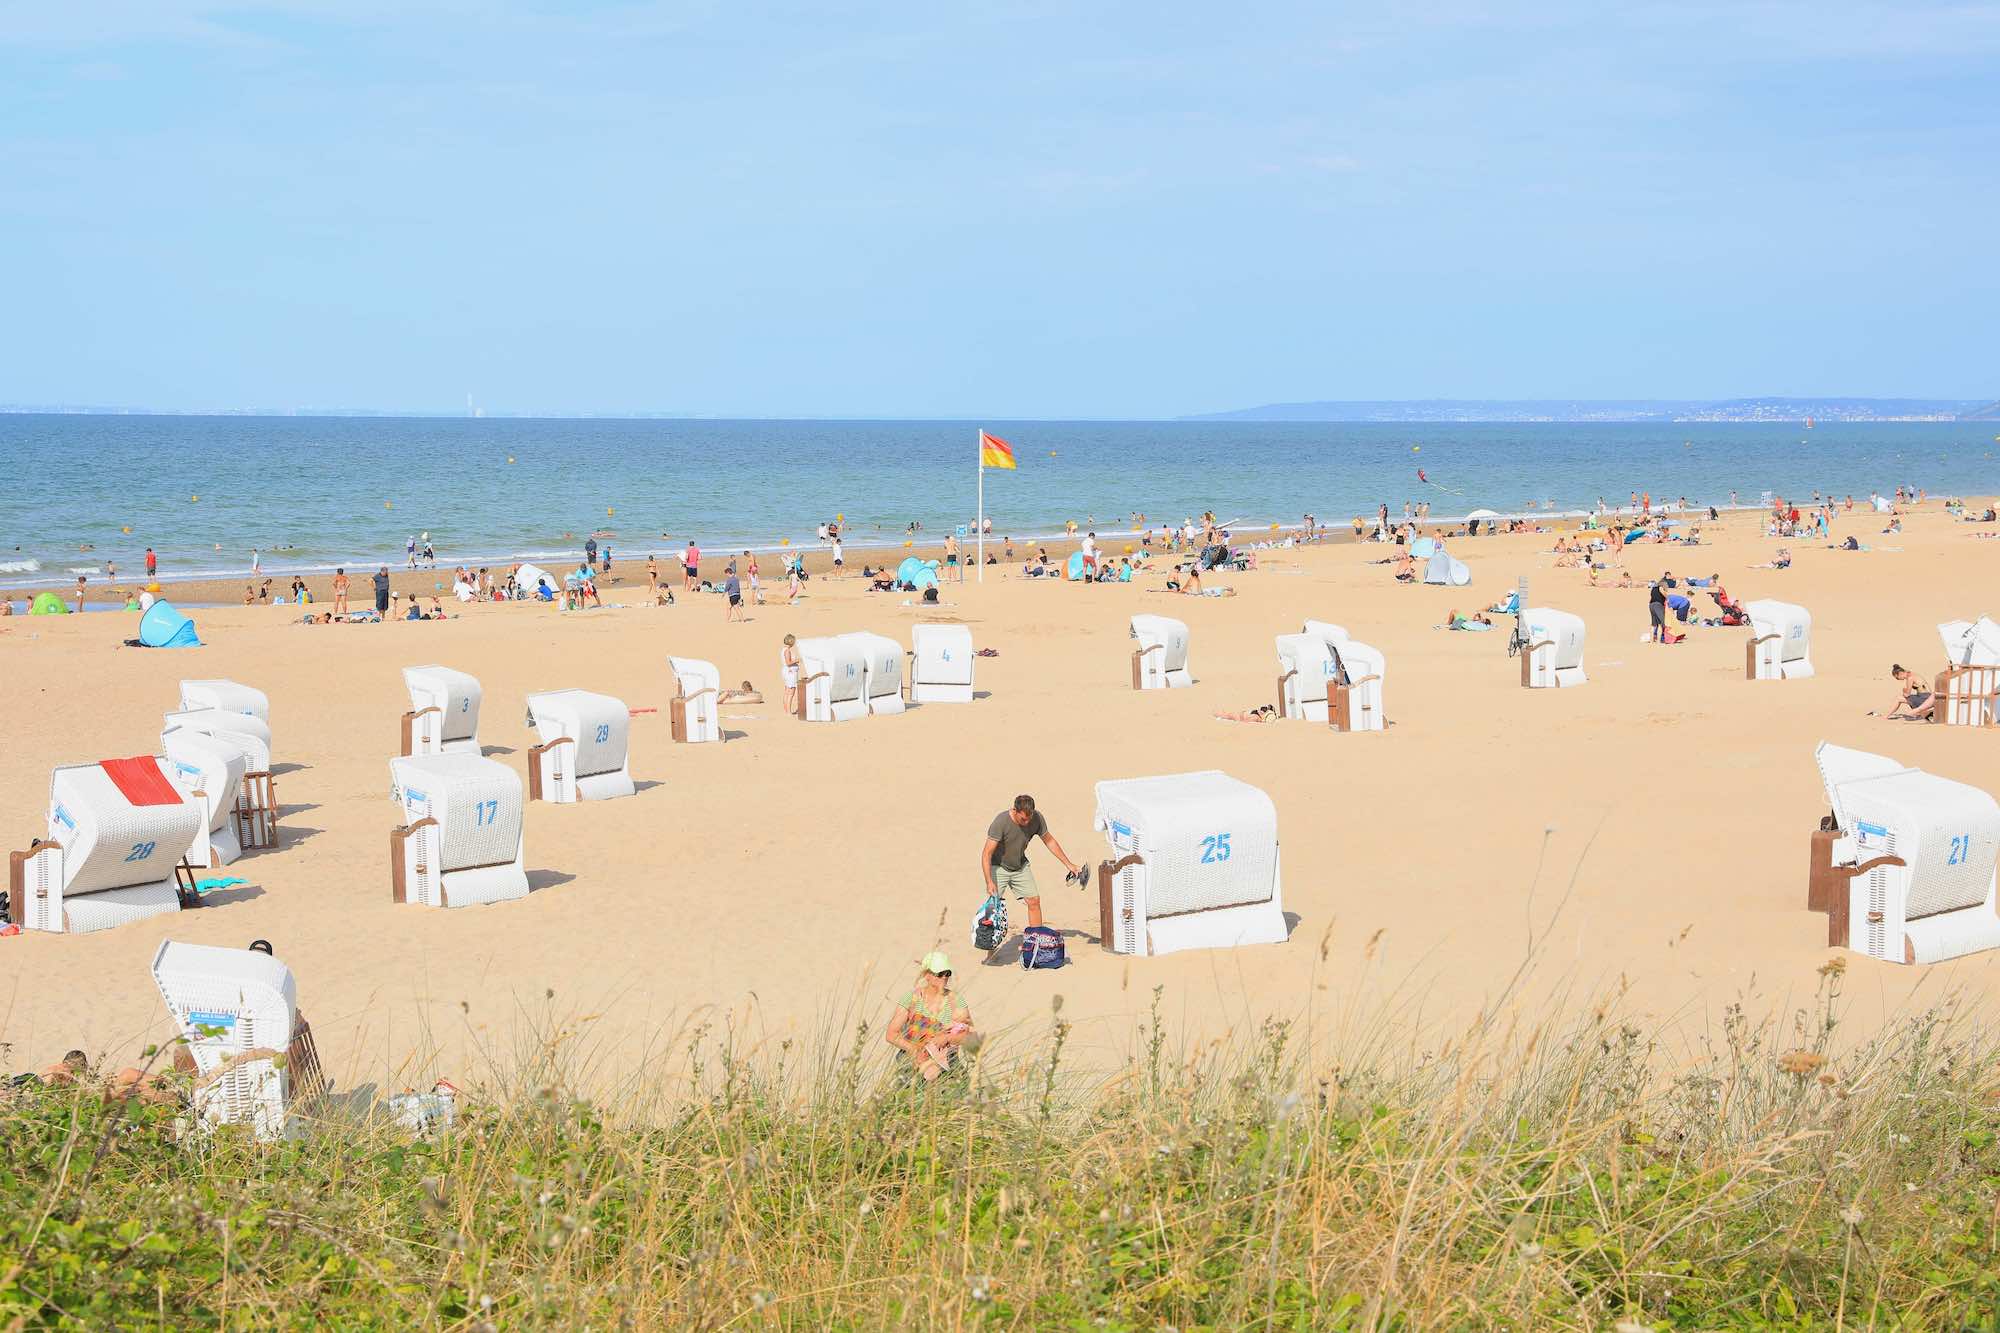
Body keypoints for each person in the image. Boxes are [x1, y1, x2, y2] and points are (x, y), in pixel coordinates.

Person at [980, 794, 1084, 935]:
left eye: (1029, 818)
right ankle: (990, 952)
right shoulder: (1001, 822)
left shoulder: (1036, 819)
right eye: (1023, 819)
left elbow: (1049, 841)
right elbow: (986, 854)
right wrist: (989, 881)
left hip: (1020, 866)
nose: (1027, 822)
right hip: (998, 867)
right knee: (993, 906)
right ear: (1015, 810)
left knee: (1034, 901)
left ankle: (1036, 941)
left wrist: (1069, 864)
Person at [885, 952, 974, 1082]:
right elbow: (891, 1034)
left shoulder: (956, 1001)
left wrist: (948, 1037)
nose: (944, 977)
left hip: (946, 1065)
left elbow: (971, 1036)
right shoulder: (911, 999)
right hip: (911, 1064)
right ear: (927, 975)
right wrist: (916, 1051)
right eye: (939, 973)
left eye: (947, 973)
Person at [781, 634, 800, 713]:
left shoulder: (784, 649)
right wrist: (797, 660)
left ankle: (786, 710)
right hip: (790, 673)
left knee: (787, 691)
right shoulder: (787, 651)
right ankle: (788, 711)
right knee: (791, 692)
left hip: (788, 672)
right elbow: (788, 663)